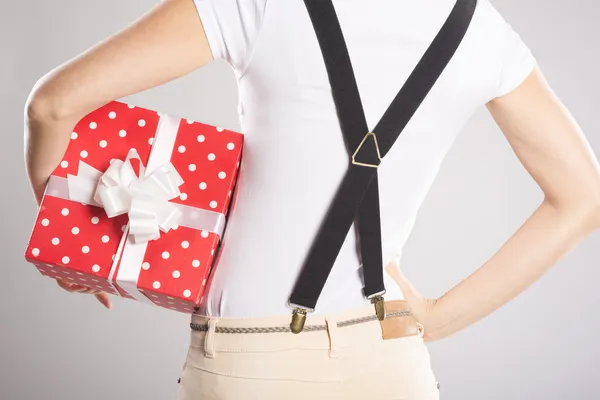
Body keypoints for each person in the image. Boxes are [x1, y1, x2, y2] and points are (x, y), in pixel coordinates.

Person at [24, 0, 600, 399]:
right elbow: (585, 197)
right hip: (391, 365)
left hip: (253, 364)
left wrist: (72, 238)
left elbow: (51, 106)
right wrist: (440, 319)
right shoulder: (478, 29)